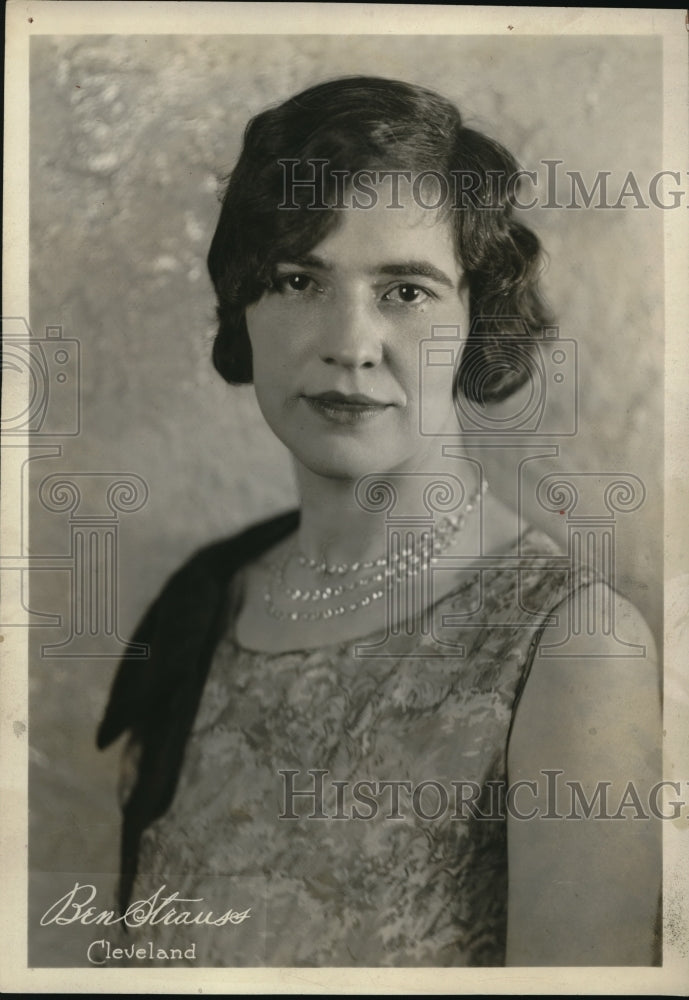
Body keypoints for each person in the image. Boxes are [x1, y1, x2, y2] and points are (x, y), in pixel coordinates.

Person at [97, 76, 661, 967]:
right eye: (297, 279)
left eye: (404, 291)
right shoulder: (203, 602)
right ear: (245, 305)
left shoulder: (572, 646)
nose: (349, 342)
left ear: (477, 321)